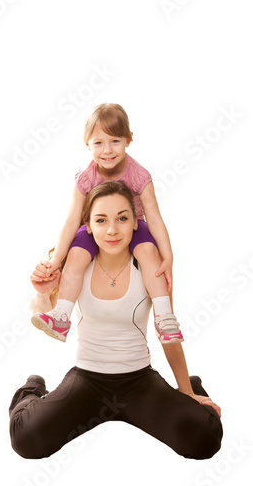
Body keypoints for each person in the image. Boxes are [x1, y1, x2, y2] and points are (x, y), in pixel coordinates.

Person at [9, 181, 223, 460]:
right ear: (88, 225)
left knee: (204, 440)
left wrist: (186, 392)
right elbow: (43, 308)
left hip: (139, 381)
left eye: (122, 218)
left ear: (136, 223)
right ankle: (33, 389)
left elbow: (167, 334)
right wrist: (43, 291)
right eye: (101, 220)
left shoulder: (150, 267)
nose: (112, 230)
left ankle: (193, 387)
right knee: (27, 440)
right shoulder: (75, 265)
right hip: (87, 379)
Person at [31, 103, 182, 344]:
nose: (107, 150)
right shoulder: (85, 177)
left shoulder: (139, 175)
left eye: (115, 141)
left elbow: (154, 218)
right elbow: (71, 221)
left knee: (147, 250)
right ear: (87, 144)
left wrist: (168, 257)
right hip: (95, 228)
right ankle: (61, 316)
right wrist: (56, 260)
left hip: (131, 226)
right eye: (98, 143)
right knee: (77, 252)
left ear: (128, 140)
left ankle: (165, 317)